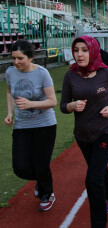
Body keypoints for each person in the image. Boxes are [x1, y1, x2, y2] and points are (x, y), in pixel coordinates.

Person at [60, 35, 108, 227]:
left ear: (93, 51)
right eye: (76, 50)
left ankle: (98, 223)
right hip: (83, 135)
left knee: (92, 179)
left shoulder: (105, 73)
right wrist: (72, 105)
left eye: (84, 50)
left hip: (106, 132)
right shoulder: (70, 75)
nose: (79, 54)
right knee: (98, 170)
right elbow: (63, 105)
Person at [4, 39, 57, 212]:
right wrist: (10, 113)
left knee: (41, 164)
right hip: (22, 126)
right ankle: (42, 180)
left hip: (45, 125)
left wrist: (31, 104)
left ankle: (47, 193)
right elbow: (9, 91)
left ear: (31, 57)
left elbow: (52, 101)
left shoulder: (42, 74)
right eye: (14, 58)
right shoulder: (10, 72)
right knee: (20, 168)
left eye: (20, 58)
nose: (16, 62)